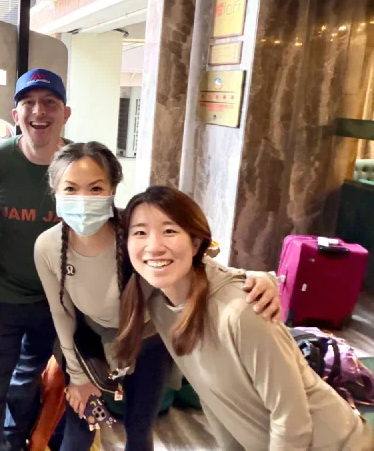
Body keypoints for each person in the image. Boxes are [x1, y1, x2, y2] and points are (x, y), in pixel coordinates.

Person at [35, 142, 282, 450]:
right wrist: (77, 376)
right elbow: (63, 315)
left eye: (96, 188)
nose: (83, 199)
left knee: (139, 431)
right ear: (54, 190)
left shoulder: (136, 232)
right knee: (81, 428)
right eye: (70, 189)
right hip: (91, 350)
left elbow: (195, 261)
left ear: (112, 189)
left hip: (149, 342)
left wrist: (259, 278)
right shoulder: (47, 247)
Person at [116, 186, 374, 450]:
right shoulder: (160, 306)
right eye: (140, 232)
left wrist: (264, 279)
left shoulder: (243, 312)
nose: (154, 246)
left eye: (169, 230)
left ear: (195, 243)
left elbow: (292, 417)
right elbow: (214, 399)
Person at [0, 68, 74, 451]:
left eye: (49, 102)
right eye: (28, 102)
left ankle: (14, 444)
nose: (38, 111)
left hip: (55, 301)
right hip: (2, 295)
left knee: (27, 385)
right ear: (16, 115)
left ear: (65, 113)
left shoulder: (80, 165)